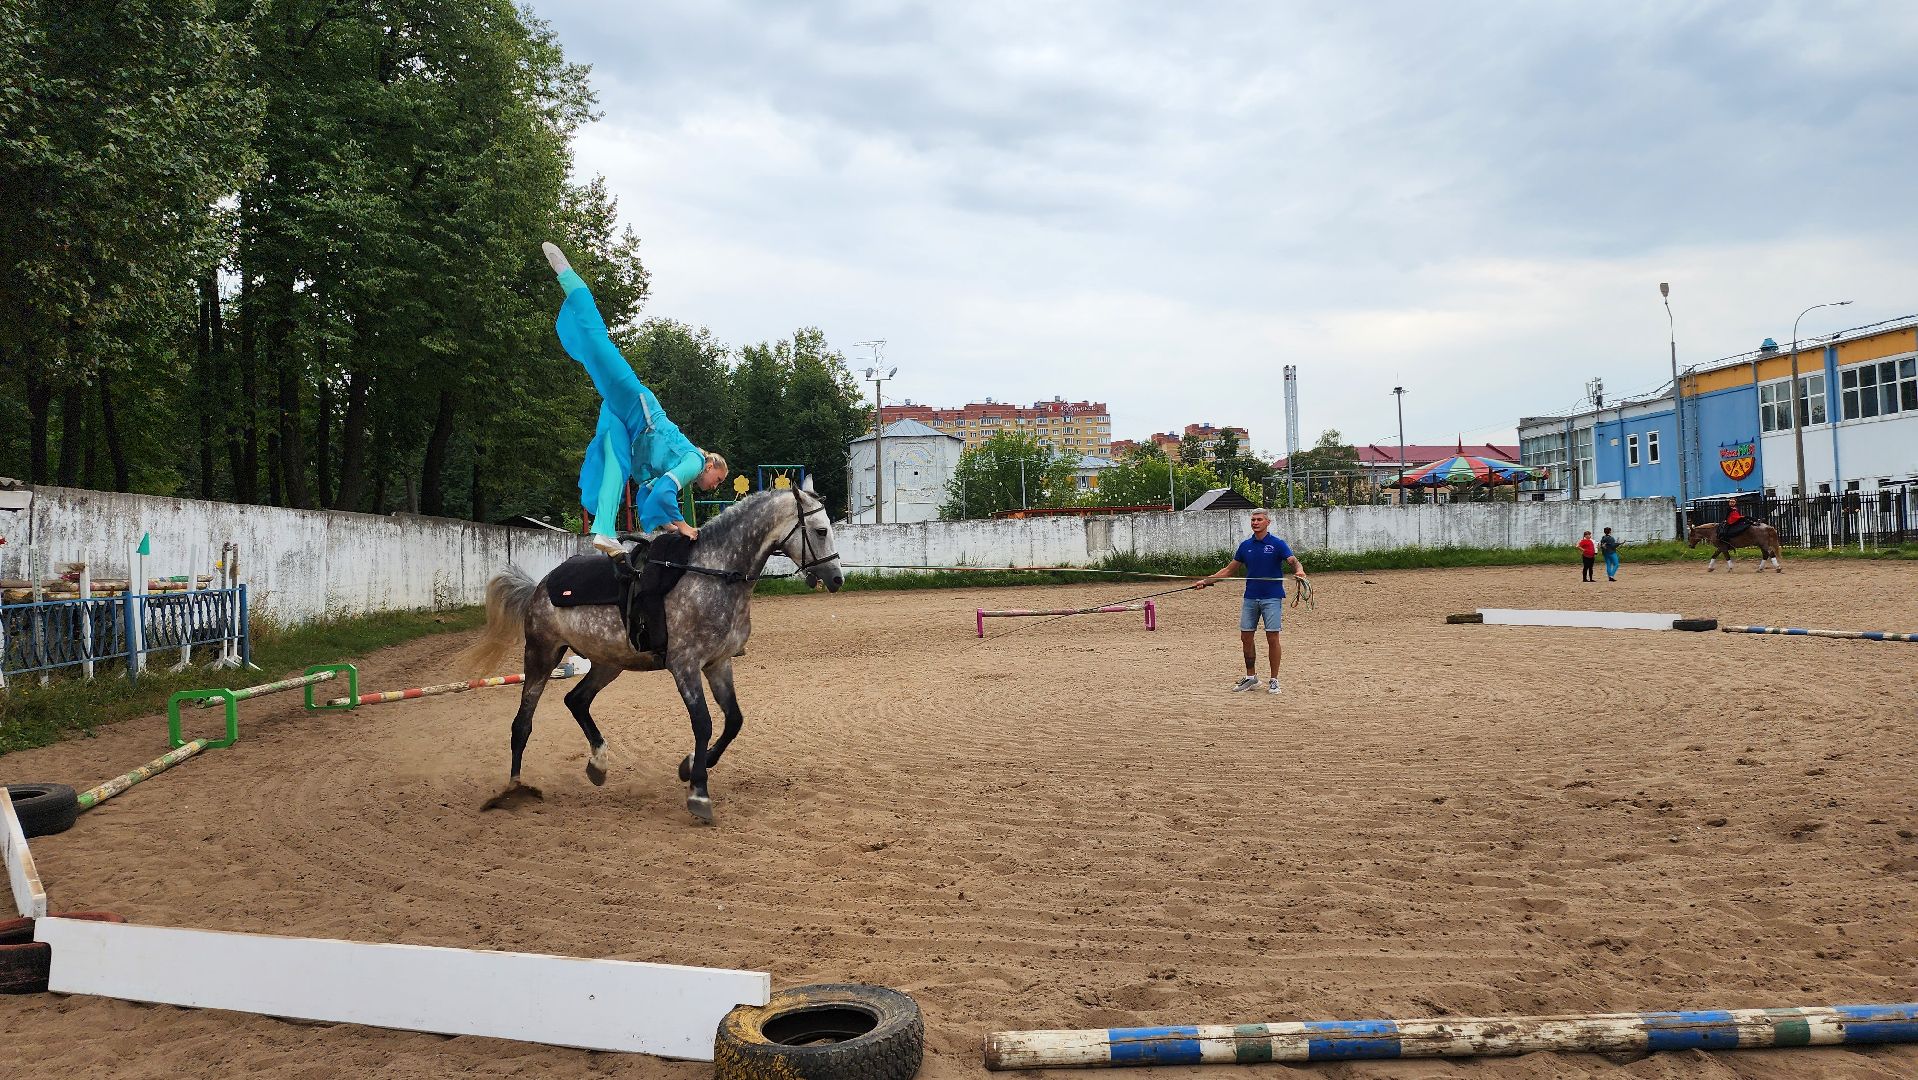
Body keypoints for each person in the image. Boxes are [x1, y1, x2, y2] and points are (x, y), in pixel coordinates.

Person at [544, 242, 728, 555]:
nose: (715, 485)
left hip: (624, 422)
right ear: (710, 464)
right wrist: (684, 526)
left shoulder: (676, 464)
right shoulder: (694, 460)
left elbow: (648, 495)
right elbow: (666, 490)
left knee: (616, 467)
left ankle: (603, 531)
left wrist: (670, 526)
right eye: (718, 479)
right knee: (598, 346)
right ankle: (568, 276)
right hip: (635, 405)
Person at [1195, 509, 1307, 695]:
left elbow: (1293, 561)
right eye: (1253, 520)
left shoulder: (1277, 544)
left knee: (1272, 638)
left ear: (1267, 522)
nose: (1255, 522)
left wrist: (1299, 571)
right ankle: (1251, 677)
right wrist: (1206, 581)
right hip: (1250, 597)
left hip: (1272, 597)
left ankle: (1274, 680)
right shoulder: (1245, 546)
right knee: (1246, 637)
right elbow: (1229, 570)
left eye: (1259, 519)